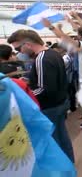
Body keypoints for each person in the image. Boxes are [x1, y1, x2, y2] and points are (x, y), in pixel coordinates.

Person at [7, 29, 74, 162]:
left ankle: (61, 168)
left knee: (53, 141)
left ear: (28, 44)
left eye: (19, 48)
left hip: (50, 107)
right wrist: (30, 81)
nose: (19, 52)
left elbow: (45, 89)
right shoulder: (53, 54)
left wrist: (25, 93)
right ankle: (69, 163)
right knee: (62, 137)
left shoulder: (41, 59)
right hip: (60, 102)